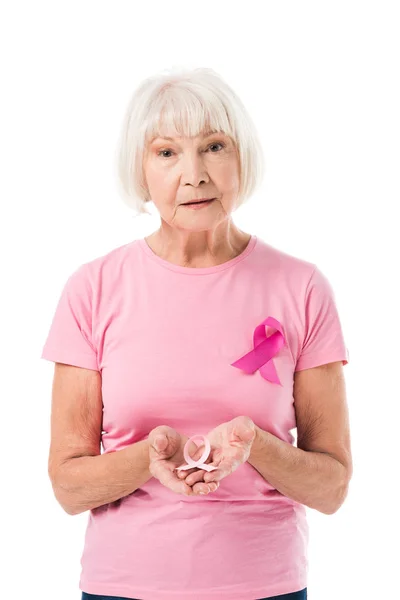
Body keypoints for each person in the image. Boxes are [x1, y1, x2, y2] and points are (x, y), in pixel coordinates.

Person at [41, 67, 352, 600]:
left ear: (241, 158)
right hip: (123, 587)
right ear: (140, 170)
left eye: (213, 146)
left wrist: (256, 446)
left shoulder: (301, 286)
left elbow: (332, 487)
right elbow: (69, 489)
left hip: (266, 588)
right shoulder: (92, 288)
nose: (194, 174)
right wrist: (150, 457)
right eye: (166, 152)